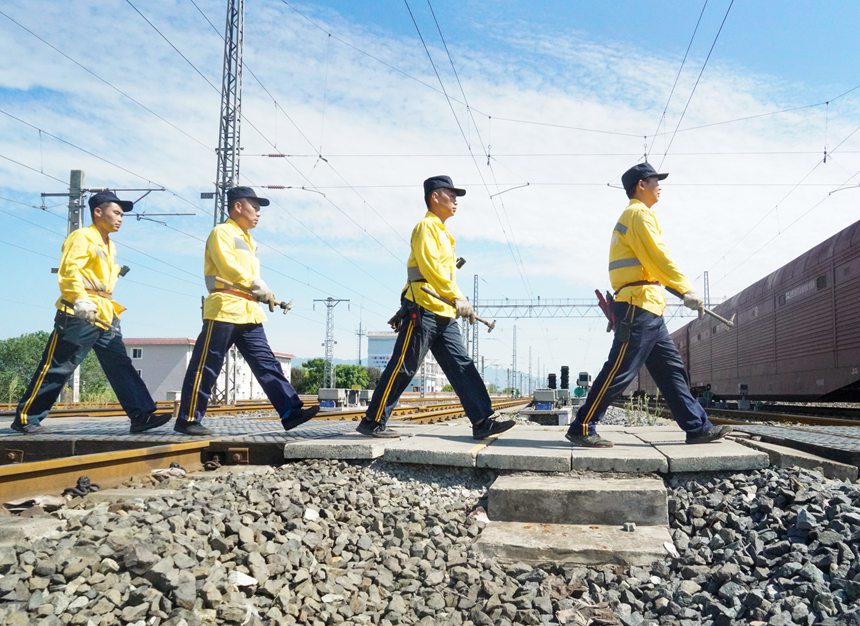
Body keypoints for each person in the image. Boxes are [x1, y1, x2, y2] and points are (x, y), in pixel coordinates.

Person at [567, 162, 732, 447]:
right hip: (637, 306)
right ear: (640, 185)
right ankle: (582, 426)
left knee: (672, 372)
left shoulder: (639, 215)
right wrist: (685, 288)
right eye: (656, 181)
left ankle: (697, 427)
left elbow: (652, 263)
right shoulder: (638, 214)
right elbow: (658, 256)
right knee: (620, 370)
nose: (660, 186)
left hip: (649, 308)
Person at [356, 175, 515, 439]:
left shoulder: (443, 233)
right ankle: (372, 421)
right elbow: (430, 268)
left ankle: (483, 421)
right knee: (404, 366)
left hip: (443, 313)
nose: (455, 201)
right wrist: (457, 296)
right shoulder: (425, 227)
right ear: (434, 197)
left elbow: (442, 273)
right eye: (450, 195)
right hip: (423, 308)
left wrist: (454, 302)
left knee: (462, 365)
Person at [11, 191, 167, 434]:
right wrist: (79, 300)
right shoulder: (82, 237)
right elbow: (69, 270)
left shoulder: (109, 245)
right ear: (97, 212)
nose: (120, 218)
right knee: (59, 365)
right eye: (116, 212)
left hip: (105, 312)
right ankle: (26, 418)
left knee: (120, 365)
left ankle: (141, 415)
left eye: (122, 215)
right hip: (80, 312)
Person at [172, 186, 318, 436]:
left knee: (267, 363)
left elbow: (249, 275)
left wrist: (261, 290)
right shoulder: (222, 233)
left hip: (248, 311)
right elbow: (227, 267)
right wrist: (255, 284)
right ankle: (187, 418)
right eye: (255, 208)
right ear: (238, 206)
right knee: (206, 365)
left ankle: (290, 411)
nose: (258, 214)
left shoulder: (249, 240)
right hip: (225, 309)